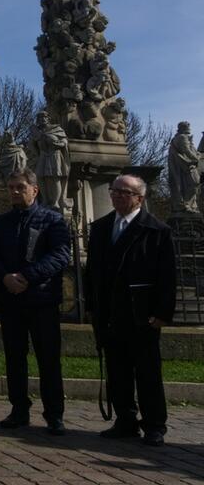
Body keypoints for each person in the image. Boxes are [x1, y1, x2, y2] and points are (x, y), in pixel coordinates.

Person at [84, 174, 175, 447]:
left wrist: (162, 313)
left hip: (141, 314)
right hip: (110, 314)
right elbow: (92, 274)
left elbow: (167, 276)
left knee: (147, 373)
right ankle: (125, 419)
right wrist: (92, 307)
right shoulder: (100, 228)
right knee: (117, 370)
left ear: (140, 198)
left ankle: (154, 425)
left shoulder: (156, 230)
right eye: (114, 191)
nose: (117, 196)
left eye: (125, 192)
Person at [0, 168, 71, 435]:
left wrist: (27, 276)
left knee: (48, 359)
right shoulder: (0, 222)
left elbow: (60, 255)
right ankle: (19, 408)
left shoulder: (53, 220)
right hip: (11, 299)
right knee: (14, 358)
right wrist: (5, 277)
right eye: (11, 187)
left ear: (35, 189)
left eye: (20, 187)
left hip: (41, 299)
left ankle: (54, 413)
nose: (14, 192)